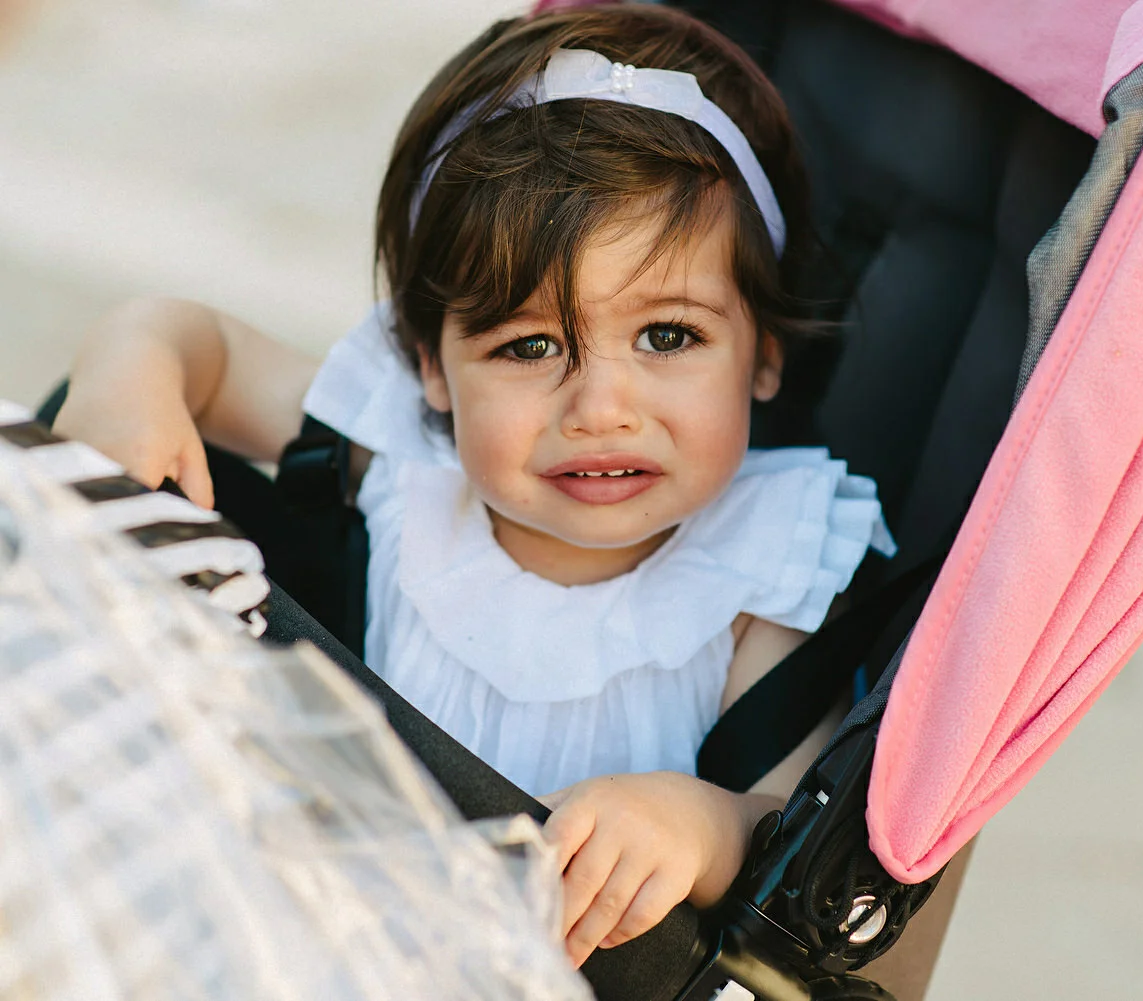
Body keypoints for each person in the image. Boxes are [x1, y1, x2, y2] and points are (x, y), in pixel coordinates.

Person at [52, 3, 893, 971]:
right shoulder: (407, 456)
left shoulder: (763, 569)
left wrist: (695, 823)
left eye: (668, 336)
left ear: (763, 354)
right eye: (529, 346)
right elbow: (190, 342)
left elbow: (787, 824)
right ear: (433, 369)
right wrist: (125, 374)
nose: (601, 408)